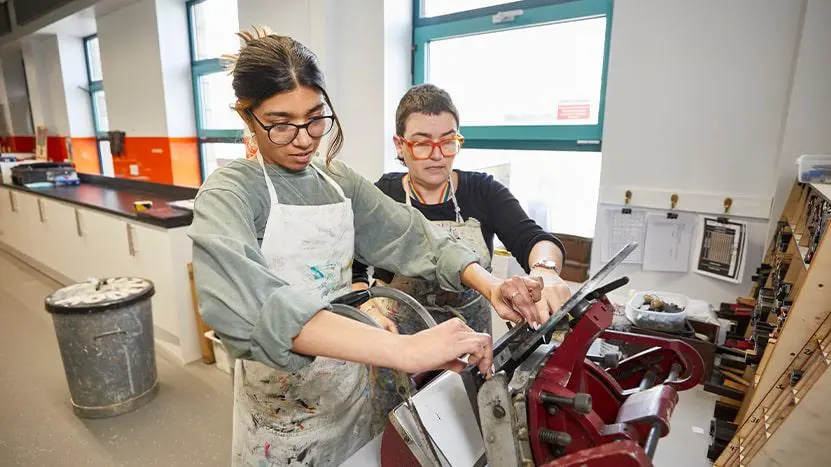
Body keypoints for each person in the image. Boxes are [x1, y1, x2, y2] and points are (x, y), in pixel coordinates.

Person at [188, 28, 547, 466]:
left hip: (350, 392)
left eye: (315, 118)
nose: (304, 139)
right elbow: (249, 307)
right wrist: (405, 350)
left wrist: (490, 285)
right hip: (280, 416)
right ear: (248, 117)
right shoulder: (230, 194)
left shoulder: (338, 182)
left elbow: (411, 235)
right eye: (281, 124)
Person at [353, 84, 572, 336]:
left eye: (447, 141)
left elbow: (533, 239)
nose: (437, 155)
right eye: (422, 143)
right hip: (398, 339)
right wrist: (368, 308)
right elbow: (351, 266)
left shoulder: (483, 191)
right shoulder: (383, 195)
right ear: (400, 145)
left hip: (471, 341)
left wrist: (545, 269)